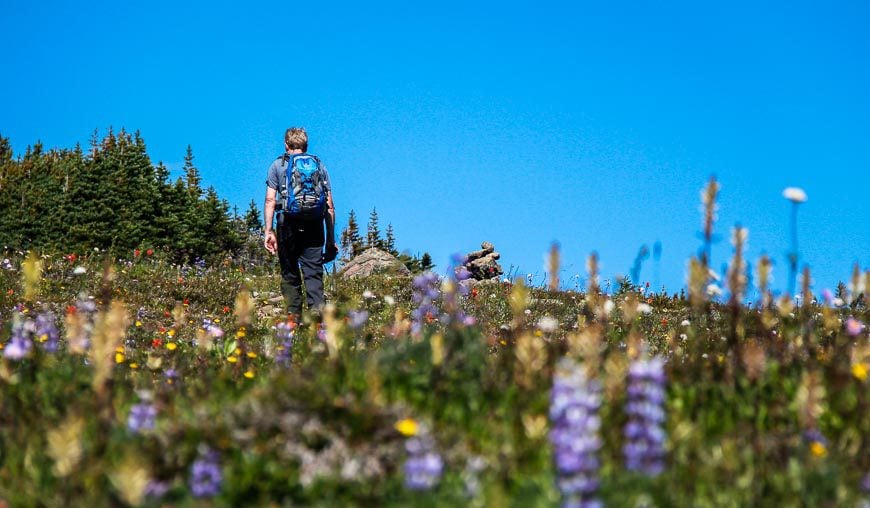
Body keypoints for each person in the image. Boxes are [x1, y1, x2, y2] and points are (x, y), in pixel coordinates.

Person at [263, 127, 337, 319]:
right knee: (313, 275)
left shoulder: (278, 166)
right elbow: (329, 205)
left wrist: (269, 231)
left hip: (287, 223)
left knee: (290, 273)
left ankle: (292, 321)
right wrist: (330, 239)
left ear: (286, 145)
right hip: (314, 224)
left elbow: (270, 200)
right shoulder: (319, 165)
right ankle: (317, 324)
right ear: (306, 145)